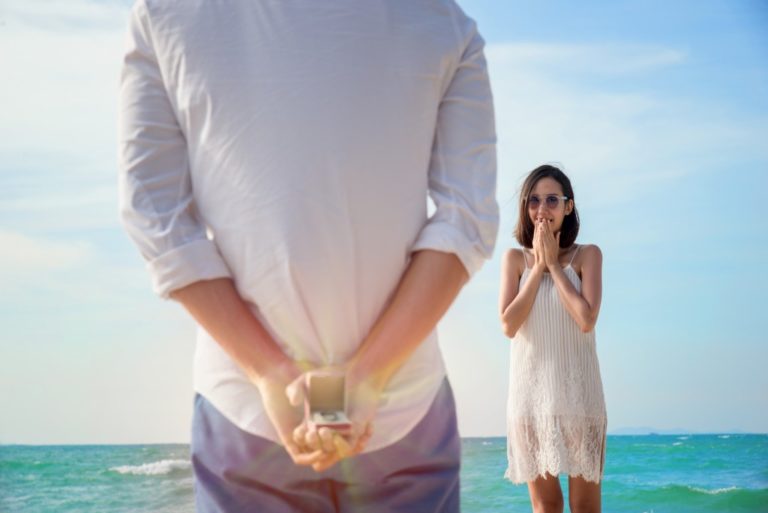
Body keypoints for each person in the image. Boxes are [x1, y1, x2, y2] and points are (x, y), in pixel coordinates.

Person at [117, 0, 498, 511]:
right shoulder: (441, 20)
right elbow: (467, 219)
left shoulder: (164, 14)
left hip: (245, 409)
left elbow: (155, 214)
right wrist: (367, 377)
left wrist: (271, 375)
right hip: (403, 406)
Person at [499, 164, 606, 513]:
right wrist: (539, 267)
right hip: (531, 399)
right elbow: (509, 325)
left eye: (551, 200)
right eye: (533, 200)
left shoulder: (588, 255)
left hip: (580, 395)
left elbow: (586, 319)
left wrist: (555, 266)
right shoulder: (515, 259)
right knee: (546, 507)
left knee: (585, 507)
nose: (542, 209)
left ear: (568, 206)